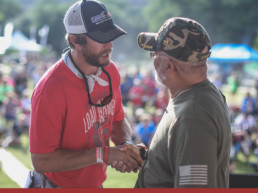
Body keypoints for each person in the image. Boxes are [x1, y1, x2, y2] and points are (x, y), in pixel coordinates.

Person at [28, 0, 142, 188]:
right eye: (101, 37)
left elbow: (118, 120)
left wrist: (125, 147)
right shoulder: (50, 89)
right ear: (75, 40)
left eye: (110, 36)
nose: (109, 45)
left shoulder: (110, 70)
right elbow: (41, 161)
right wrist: (105, 154)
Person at [134, 17, 232, 188]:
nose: (152, 58)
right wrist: (154, 159)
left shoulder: (192, 115)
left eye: (155, 53)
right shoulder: (198, 96)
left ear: (169, 66)